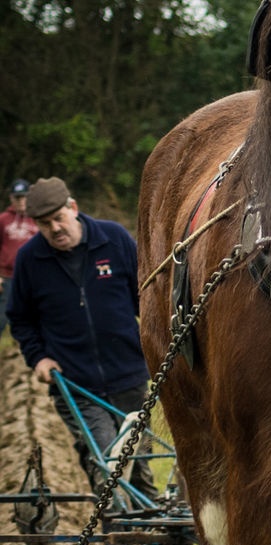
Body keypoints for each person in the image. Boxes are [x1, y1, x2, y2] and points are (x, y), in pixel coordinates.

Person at [5, 177, 158, 504]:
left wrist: (157, 339)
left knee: (142, 458)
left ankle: (157, 539)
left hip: (129, 375)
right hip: (76, 384)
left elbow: (145, 296)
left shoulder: (114, 239)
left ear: (73, 207)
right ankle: (118, 541)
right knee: (107, 462)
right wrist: (39, 357)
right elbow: (20, 317)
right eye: (45, 224)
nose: (55, 228)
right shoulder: (31, 260)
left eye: (59, 218)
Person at [0, 179, 38, 336]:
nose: (21, 201)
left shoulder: (39, 218)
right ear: (11, 198)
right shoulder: (3, 220)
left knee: (36, 322)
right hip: (6, 279)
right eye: (17, 197)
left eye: (24, 197)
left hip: (32, 279)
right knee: (1, 320)